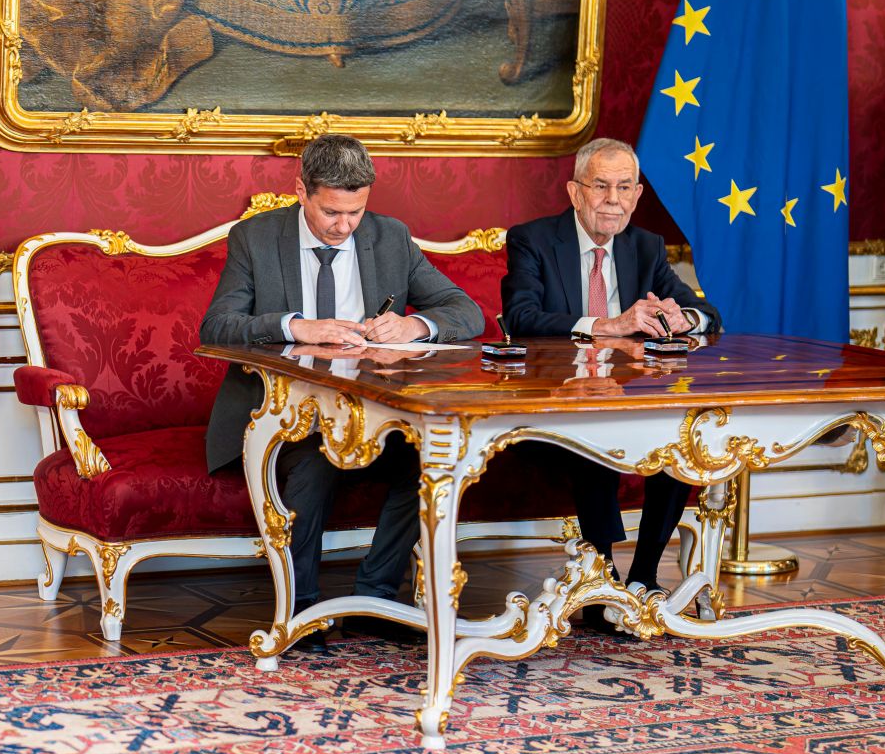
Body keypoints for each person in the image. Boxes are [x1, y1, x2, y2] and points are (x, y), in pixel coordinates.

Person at [200, 134, 484, 641]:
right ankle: (300, 608)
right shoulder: (256, 238)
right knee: (315, 461)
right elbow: (217, 326)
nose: (344, 226)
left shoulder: (389, 236)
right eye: (332, 212)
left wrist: (414, 327)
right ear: (302, 191)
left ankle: (376, 598)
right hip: (282, 416)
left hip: (375, 413)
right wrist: (294, 326)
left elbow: (466, 310)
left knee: (430, 462)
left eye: (355, 212)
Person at [500, 137, 722, 627]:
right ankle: (599, 574)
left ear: (638, 194)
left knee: (680, 442)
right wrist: (607, 326)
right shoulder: (533, 240)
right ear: (575, 192)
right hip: (552, 405)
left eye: (624, 187)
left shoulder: (645, 247)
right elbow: (521, 318)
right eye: (601, 186)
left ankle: (642, 578)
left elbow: (708, 315)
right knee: (595, 430)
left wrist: (682, 317)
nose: (613, 199)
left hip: (628, 403)